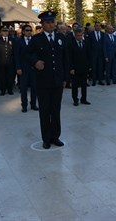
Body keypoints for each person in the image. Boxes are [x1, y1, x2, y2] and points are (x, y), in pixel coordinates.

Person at [27, 11, 69, 149]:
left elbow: (65, 59)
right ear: (42, 24)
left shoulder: (60, 37)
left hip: (57, 80)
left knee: (56, 110)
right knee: (44, 111)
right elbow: (27, 55)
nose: (51, 24)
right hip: (43, 81)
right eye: (48, 22)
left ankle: (55, 136)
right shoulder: (36, 39)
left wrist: (65, 78)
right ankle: (46, 138)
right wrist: (35, 62)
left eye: (53, 21)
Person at [14, 24, 38, 112]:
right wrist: (18, 68)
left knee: (34, 88)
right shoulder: (18, 41)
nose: (29, 32)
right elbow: (16, 56)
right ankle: (24, 105)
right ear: (23, 32)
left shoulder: (35, 41)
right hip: (23, 68)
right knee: (23, 88)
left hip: (33, 68)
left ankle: (33, 104)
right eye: (27, 30)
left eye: (30, 30)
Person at [67, 28, 91, 106]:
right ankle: (75, 100)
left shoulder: (85, 43)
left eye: (81, 35)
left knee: (84, 85)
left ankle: (83, 99)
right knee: (75, 86)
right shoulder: (71, 43)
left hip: (84, 68)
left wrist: (89, 66)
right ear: (75, 35)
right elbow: (69, 57)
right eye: (78, 36)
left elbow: (88, 55)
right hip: (75, 68)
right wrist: (71, 68)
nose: (79, 37)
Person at [0, 27, 15, 95]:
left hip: (10, 61)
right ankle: (3, 90)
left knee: (10, 76)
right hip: (1, 62)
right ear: (1, 32)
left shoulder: (12, 40)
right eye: (4, 31)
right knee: (1, 77)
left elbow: (14, 51)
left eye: (6, 31)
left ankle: (10, 89)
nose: (5, 32)